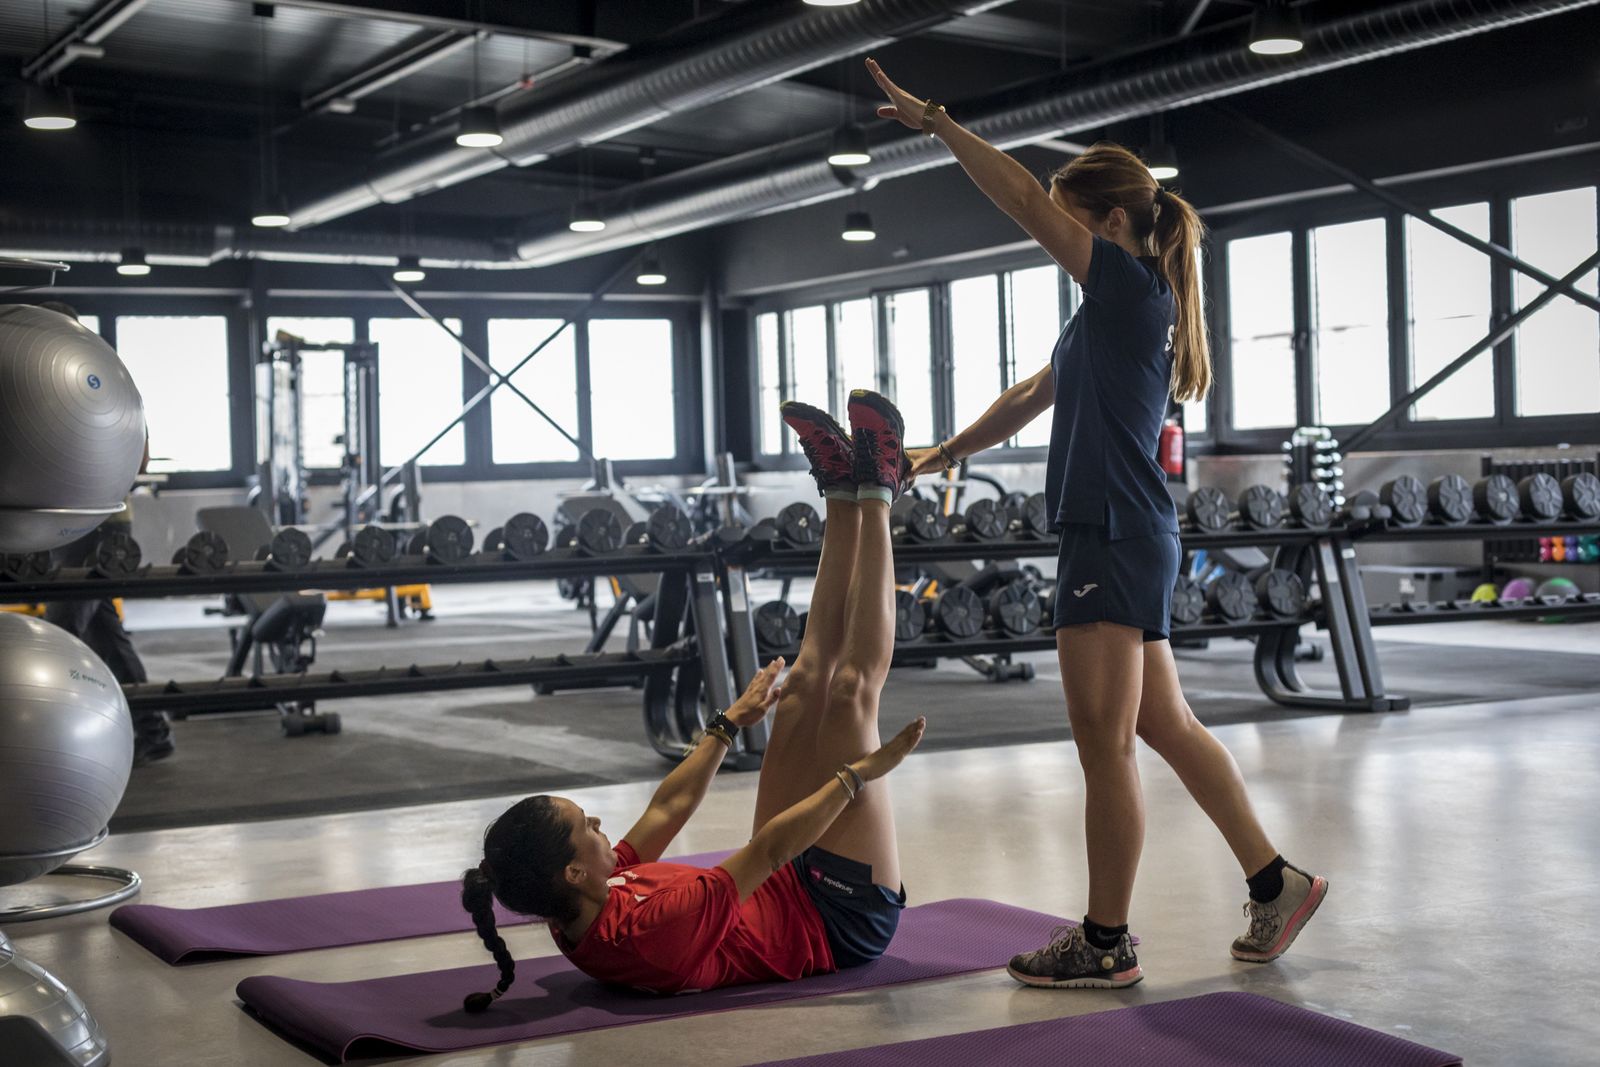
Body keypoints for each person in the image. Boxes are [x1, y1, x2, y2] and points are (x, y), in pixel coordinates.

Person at [865, 58, 1326, 989]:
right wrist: (941, 454)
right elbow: (1031, 393)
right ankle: (1277, 882)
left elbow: (1020, 199)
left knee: (1104, 745)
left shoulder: (1127, 290)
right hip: (1123, 531)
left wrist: (940, 123)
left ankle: (1105, 940)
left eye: (1070, 220)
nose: (1056, 232)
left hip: (1111, 532)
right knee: (1166, 724)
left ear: (1111, 223)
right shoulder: (1105, 314)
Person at [459, 390, 925, 1004]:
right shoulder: (651, 932)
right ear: (573, 870)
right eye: (585, 826)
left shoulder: (577, 895)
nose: (598, 824)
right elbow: (769, 848)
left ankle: (840, 491)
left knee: (801, 687)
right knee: (848, 694)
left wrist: (728, 723)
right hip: (840, 922)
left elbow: (667, 808)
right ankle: (881, 488)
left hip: (774, 879)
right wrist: (859, 775)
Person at [35, 300, 174, 766]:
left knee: (60, 634)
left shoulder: (87, 380)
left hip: (94, 525)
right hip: (76, 524)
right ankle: (153, 731)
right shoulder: (98, 378)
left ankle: (50, 740)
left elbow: (139, 458)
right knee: (105, 633)